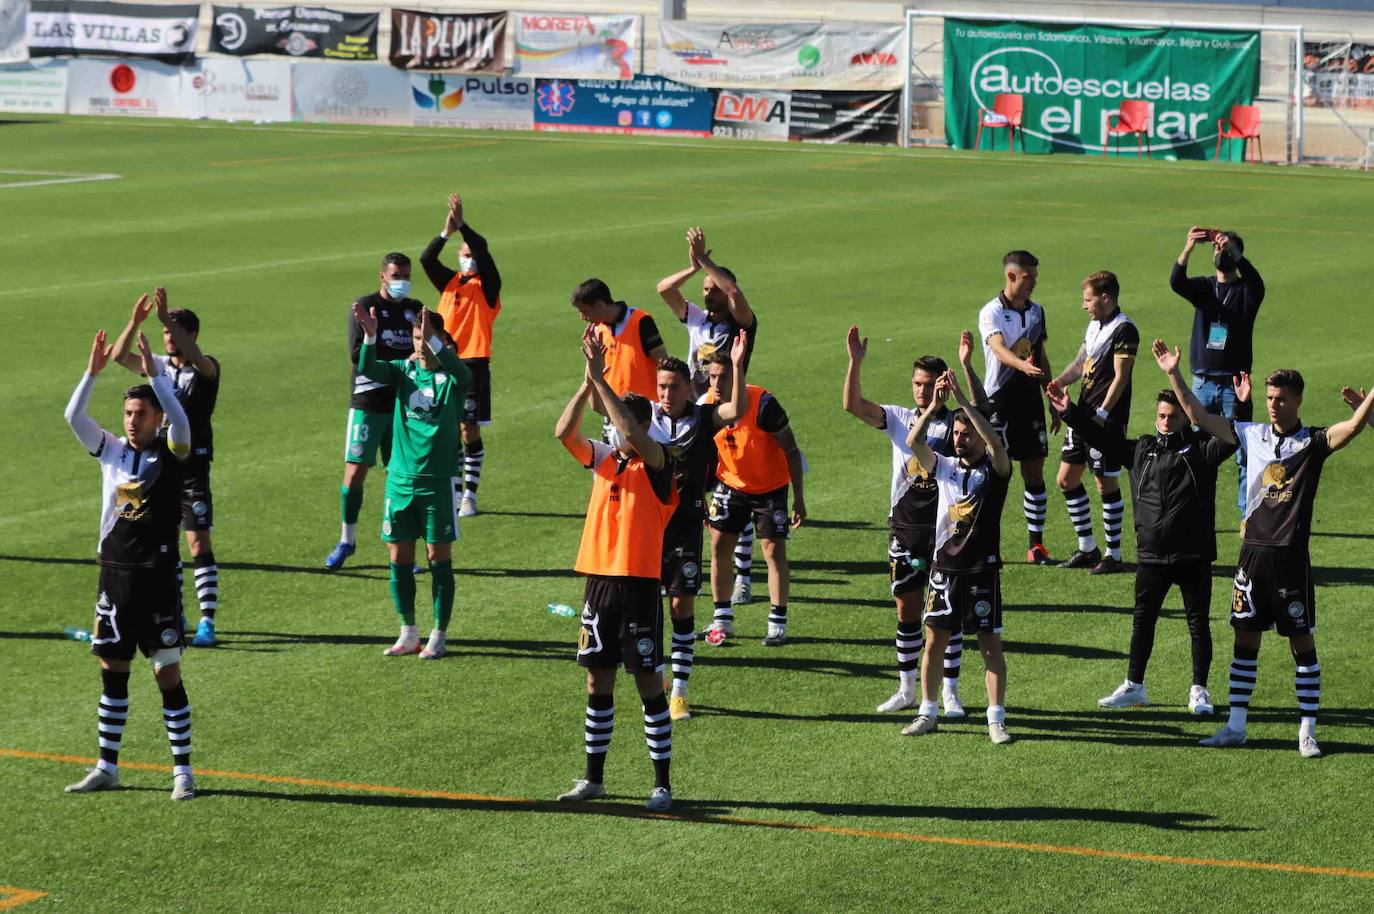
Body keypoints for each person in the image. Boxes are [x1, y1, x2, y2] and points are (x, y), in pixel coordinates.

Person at [1155, 340, 1374, 757]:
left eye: (1281, 399)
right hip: (1251, 557)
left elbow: (1352, 429)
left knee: (1301, 644)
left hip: (1290, 560)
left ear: (1298, 401)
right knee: (1245, 641)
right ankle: (1236, 726)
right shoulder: (1250, 434)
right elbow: (1198, 415)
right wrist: (1173, 373)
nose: (1272, 405)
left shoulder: (1312, 443)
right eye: (1270, 398)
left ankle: (1307, 731)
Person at [1046, 366, 1251, 715]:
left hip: (1193, 555)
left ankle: (1199, 690)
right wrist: (1070, 412)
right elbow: (1102, 440)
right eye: (1160, 415)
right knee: (1143, 622)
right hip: (1152, 556)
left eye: (1172, 416)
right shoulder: (1142, 449)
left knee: (1197, 624)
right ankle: (1134, 685)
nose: (1165, 422)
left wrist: (1242, 408)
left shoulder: (1203, 450)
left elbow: (1235, 438)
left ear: (1186, 419)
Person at [63, 328, 197, 800]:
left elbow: (181, 420)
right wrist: (92, 373)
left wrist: (156, 374)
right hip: (114, 577)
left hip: (158, 578)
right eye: (127, 413)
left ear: (157, 418)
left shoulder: (173, 452)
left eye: (141, 414)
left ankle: (182, 771)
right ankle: (107, 766)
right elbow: (72, 416)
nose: (132, 421)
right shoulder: (112, 452)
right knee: (111, 669)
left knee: (167, 673)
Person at [844, 327, 999, 716]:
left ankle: (950, 692)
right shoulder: (898, 417)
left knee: (948, 617)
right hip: (904, 530)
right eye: (917, 383)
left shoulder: (960, 428)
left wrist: (965, 368)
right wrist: (855, 363)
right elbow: (853, 406)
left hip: (944, 536)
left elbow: (985, 415)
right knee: (907, 610)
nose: (921, 390)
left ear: (942, 385)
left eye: (929, 384)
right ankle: (907, 688)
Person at [554, 330, 679, 812]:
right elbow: (563, 433)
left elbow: (632, 434)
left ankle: (661, 784)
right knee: (596, 681)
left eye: (619, 423)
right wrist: (589, 385)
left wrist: (603, 380)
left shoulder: (661, 463)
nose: (611, 430)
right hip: (599, 583)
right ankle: (594, 779)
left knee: (648, 683)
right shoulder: (605, 463)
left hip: (639, 586)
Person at [354, 304, 472, 660]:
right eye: (417, 337)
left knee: (438, 558)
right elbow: (367, 366)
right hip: (400, 482)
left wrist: (437, 343)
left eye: (428, 337)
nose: (420, 344)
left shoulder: (453, 379)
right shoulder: (403, 371)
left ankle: (439, 632)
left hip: (437, 484)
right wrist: (371, 336)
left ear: (443, 340)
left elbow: (462, 373)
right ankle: (407, 631)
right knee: (399, 556)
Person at [901, 371, 1014, 744]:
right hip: (944, 570)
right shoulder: (944, 467)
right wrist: (935, 405)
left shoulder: (996, 471)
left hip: (982, 570)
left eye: (966, 435)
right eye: (955, 434)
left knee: (989, 646)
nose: (958, 440)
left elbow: (997, 444)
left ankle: (995, 719)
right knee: (933, 643)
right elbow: (913, 440)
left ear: (980, 438)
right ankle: (928, 711)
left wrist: (963, 400)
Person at [111, 288, 222, 646]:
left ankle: (207, 621)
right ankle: (175, 611)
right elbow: (117, 356)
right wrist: (134, 321)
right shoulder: (156, 366)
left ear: (192, 336)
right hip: (154, 466)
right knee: (153, 539)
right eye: (165, 335)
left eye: (175, 332)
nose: (169, 340)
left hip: (191, 466)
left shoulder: (208, 367)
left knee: (197, 540)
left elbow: (199, 361)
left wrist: (163, 320)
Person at [646, 337, 749, 722]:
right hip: (647, 526)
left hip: (686, 526)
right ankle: (654, 682)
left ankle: (679, 692)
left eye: (673, 386)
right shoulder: (646, 419)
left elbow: (737, 407)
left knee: (680, 606)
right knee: (647, 609)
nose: (667, 393)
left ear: (690, 387)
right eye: (661, 387)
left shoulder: (704, 418)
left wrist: (737, 365)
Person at [656, 226, 759, 606]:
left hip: (730, 414)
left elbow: (733, 292)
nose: (707, 292)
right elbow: (664, 290)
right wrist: (693, 268)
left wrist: (705, 261)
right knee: (700, 488)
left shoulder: (742, 323)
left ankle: (744, 576)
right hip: (696, 416)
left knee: (733, 488)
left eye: (710, 287)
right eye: (704, 289)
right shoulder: (697, 319)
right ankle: (686, 562)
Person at [325, 253, 427, 571]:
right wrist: (401, 355)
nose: (402, 282)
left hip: (401, 403)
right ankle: (347, 540)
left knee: (400, 477)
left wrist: (391, 354)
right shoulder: (365, 307)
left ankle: (400, 548)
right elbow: (358, 354)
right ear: (382, 276)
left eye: (406, 276)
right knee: (355, 472)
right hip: (368, 399)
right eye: (396, 275)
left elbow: (426, 347)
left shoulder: (416, 309)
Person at [700, 348, 806, 646]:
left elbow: (792, 450)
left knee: (773, 552)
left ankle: (777, 623)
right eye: (712, 377)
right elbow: (700, 456)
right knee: (719, 546)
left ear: (738, 377)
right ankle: (722, 620)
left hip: (769, 487)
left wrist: (798, 497)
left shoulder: (765, 405)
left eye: (723, 377)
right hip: (730, 484)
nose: (717, 385)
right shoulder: (708, 406)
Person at [1050, 271, 1138, 575]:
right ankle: (1088, 548)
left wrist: (1102, 414)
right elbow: (1081, 362)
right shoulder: (1094, 325)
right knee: (1066, 479)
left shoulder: (1124, 330)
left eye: (1087, 299)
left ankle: (1113, 554)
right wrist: (1060, 380)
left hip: (1105, 420)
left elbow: (1121, 377)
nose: (1083, 305)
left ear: (1105, 297)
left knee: (1104, 482)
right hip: (1081, 414)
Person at [1170, 226, 1264, 511]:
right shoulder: (1205, 287)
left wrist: (1233, 250)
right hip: (1202, 383)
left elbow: (1257, 280)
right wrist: (1187, 247)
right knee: (1194, 450)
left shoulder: (1247, 292)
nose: (1220, 253)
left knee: (1243, 451)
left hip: (1235, 385)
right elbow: (1177, 282)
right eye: (1217, 249)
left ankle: (1248, 513)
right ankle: (1195, 509)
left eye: (1226, 249)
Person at [421, 193, 502, 518]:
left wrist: (464, 225)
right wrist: (446, 232)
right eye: (464, 254)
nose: (469, 258)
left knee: (469, 429)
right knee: (449, 428)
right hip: (444, 363)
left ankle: (470, 494)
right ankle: (453, 493)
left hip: (473, 364)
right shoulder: (451, 282)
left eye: (472, 256)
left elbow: (481, 247)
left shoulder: (488, 287)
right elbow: (426, 259)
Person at [978, 250, 1057, 565]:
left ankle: (1036, 546)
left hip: (1029, 401)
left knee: (1034, 472)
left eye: (1035, 276)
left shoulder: (1037, 312)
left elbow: (1040, 354)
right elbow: (997, 349)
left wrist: (1051, 395)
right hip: (999, 399)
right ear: (1011, 276)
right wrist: (1023, 367)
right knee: (996, 474)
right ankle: (986, 544)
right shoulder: (991, 312)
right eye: (1029, 277)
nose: (1034, 283)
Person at [571, 278, 669, 402]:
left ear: (599, 305)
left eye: (584, 311)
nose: (582, 317)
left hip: (648, 412)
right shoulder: (595, 331)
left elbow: (665, 364)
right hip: (615, 410)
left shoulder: (640, 321)